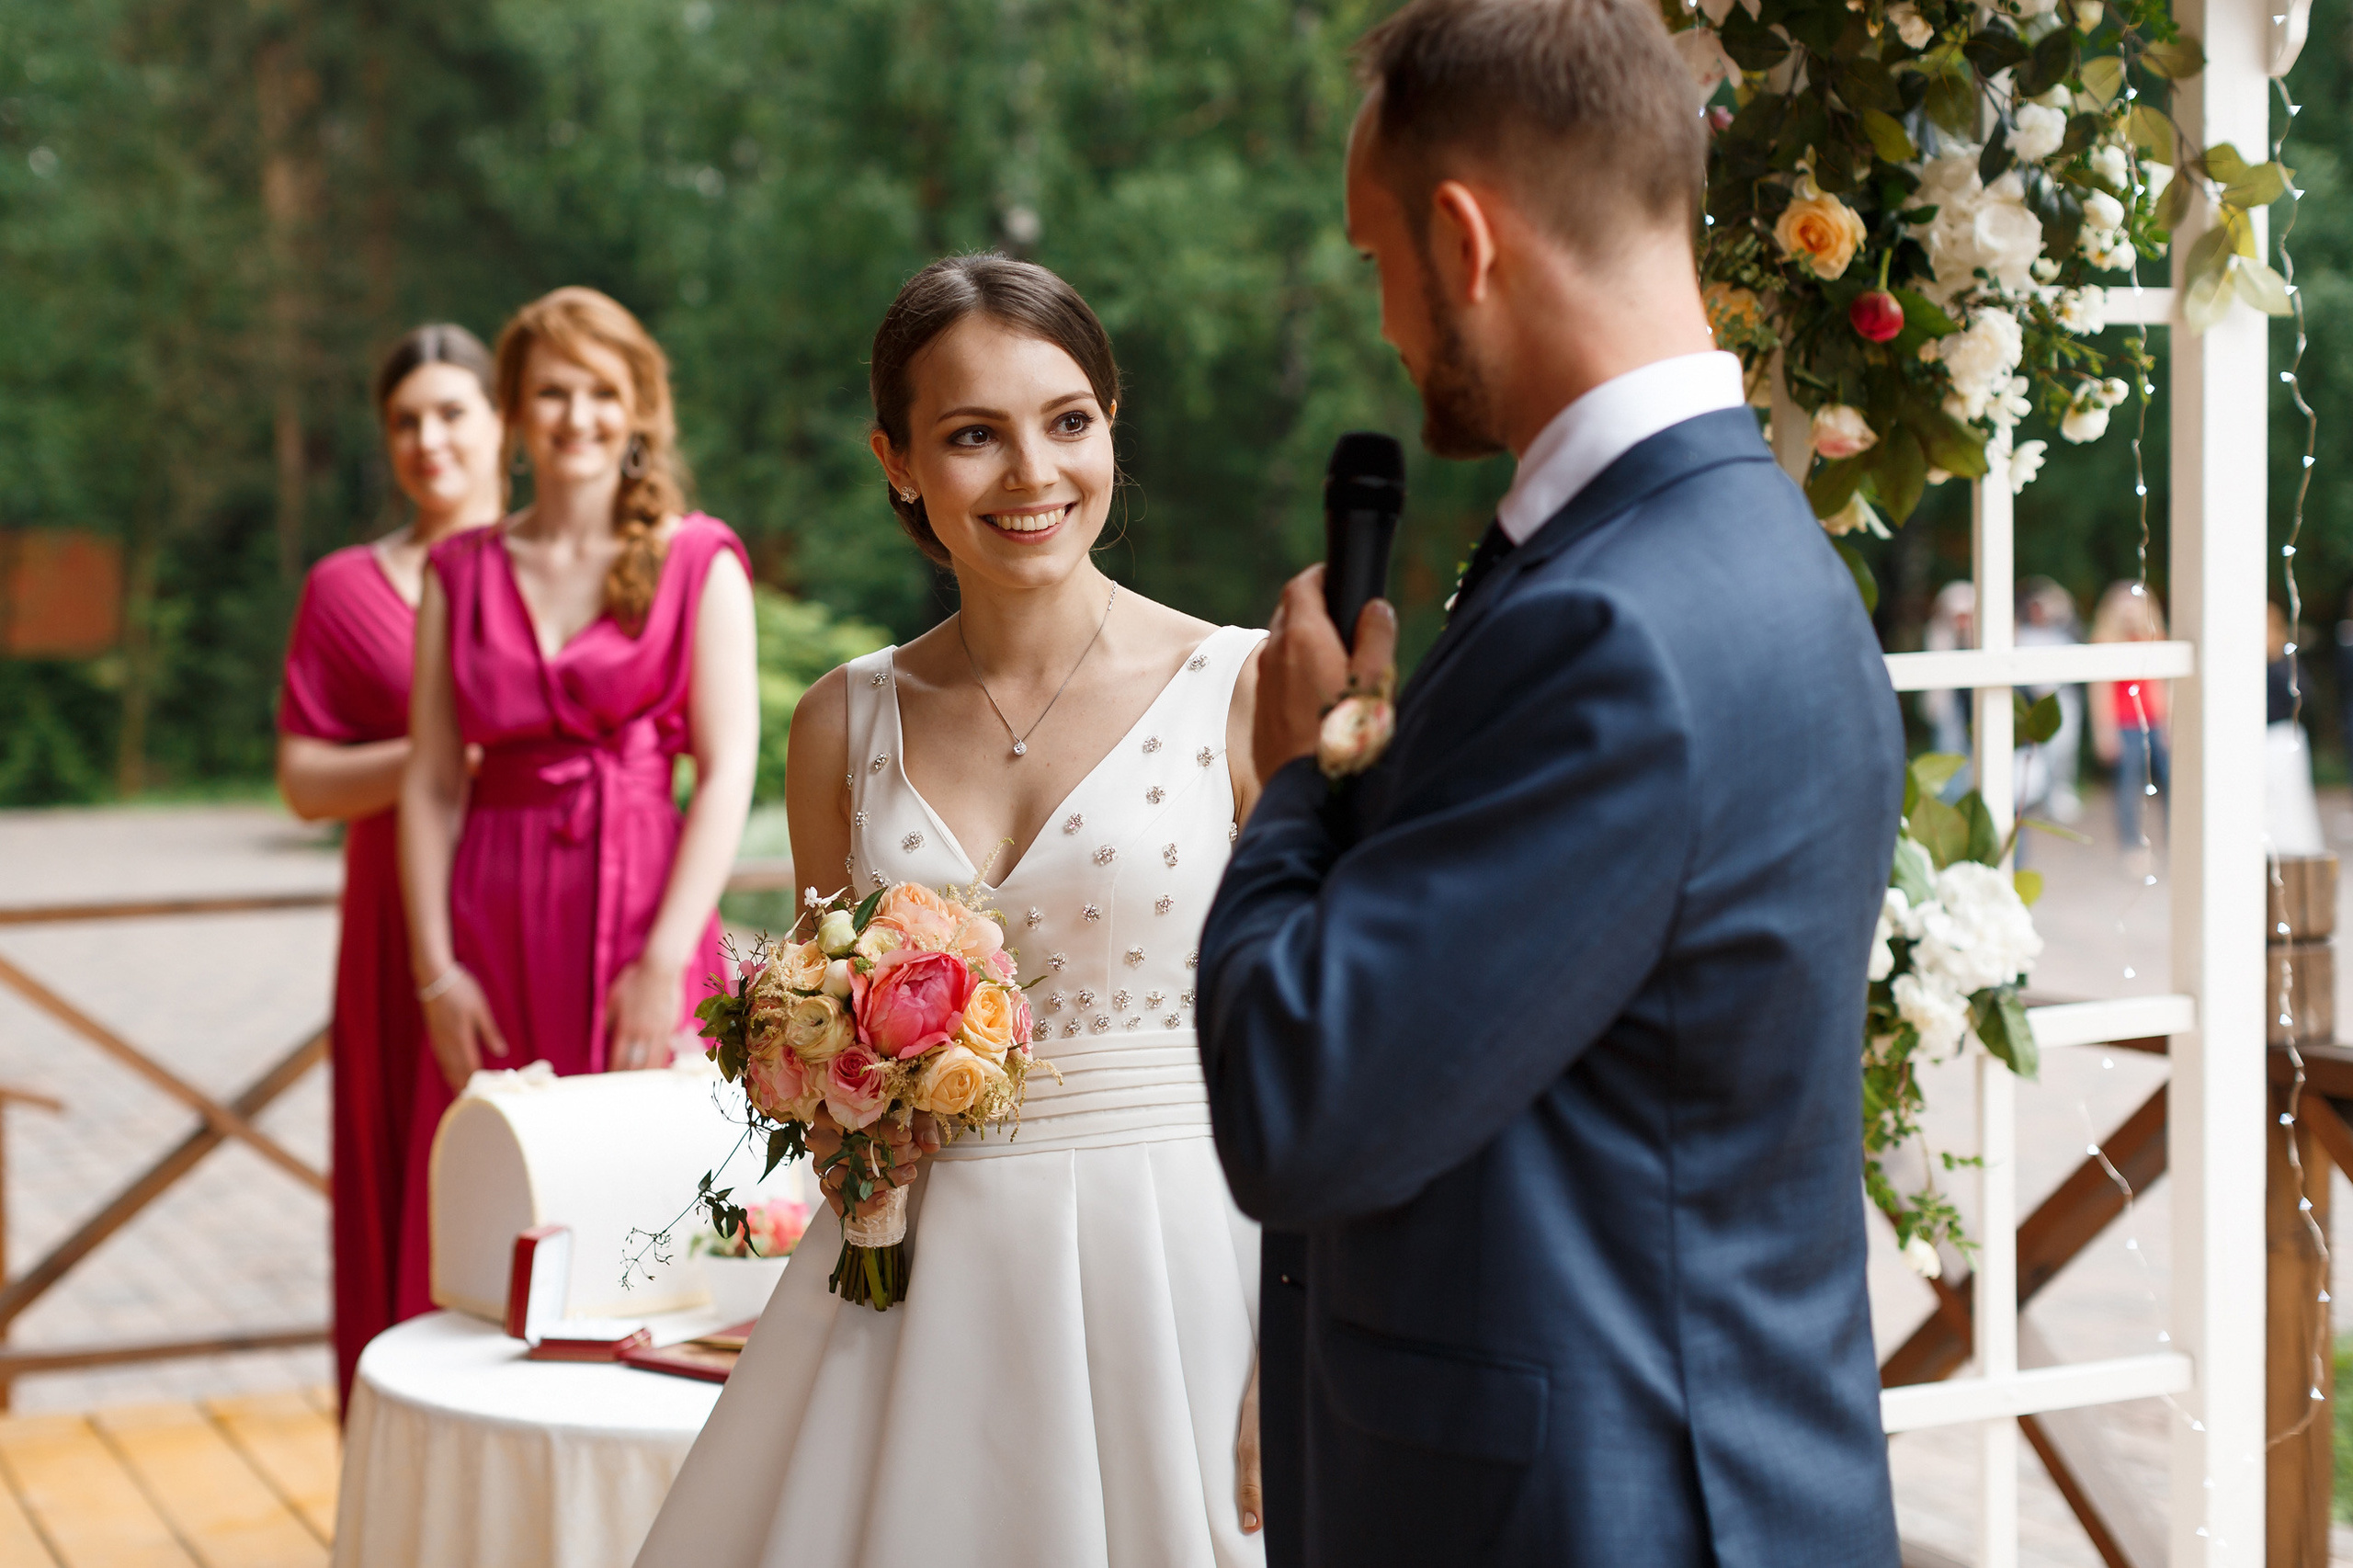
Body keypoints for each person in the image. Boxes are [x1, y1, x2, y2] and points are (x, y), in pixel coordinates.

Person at [1197, 1, 1904, 1562]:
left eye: (1376, 257)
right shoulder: (1755, 558)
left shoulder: (1613, 626)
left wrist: (1300, 780)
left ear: (1464, 241)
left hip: (1587, 1511)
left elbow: (1298, 1105)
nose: (1383, 314)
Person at [632, 255, 1269, 1568]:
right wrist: (849, 1141)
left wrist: (1306, 1339)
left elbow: (1336, 1056)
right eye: (973, 435)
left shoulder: (1245, 689)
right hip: (913, 1304)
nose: (1034, 474)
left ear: (1110, 425)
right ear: (899, 461)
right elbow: (823, 1073)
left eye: (1068, 420)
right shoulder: (840, 723)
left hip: (1193, 1278)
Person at [395, 287, 758, 1313]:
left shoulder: (699, 558)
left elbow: (727, 768)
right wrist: (435, 969)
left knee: (644, 1209)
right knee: (495, 1209)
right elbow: (428, 778)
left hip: (642, 912)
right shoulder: (458, 571)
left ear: (640, 408)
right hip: (489, 924)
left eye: (602, 390)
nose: (578, 415)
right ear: (512, 413)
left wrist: (660, 962)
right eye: (551, 392)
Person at [276, 324, 505, 1411]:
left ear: (502, 424)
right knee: (396, 1178)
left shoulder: (564, 568)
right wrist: (435, 751)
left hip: (528, 897)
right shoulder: (342, 586)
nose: (429, 438)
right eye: (406, 420)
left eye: (453, 411)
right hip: (390, 928)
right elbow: (306, 780)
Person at [2089, 580, 2168, 852]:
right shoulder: (2106, 643)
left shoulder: (2155, 639)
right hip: (2125, 724)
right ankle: (2131, 846)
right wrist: (2104, 730)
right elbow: (2101, 691)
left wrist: (2169, 722)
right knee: (2128, 788)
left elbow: (2161, 685)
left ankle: (2176, 840)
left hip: (2156, 721)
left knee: (2172, 782)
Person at [2267, 600, 2325, 855]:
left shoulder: (2283, 662)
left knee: (2288, 802)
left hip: (2280, 739)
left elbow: (2302, 697)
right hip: (2267, 740)